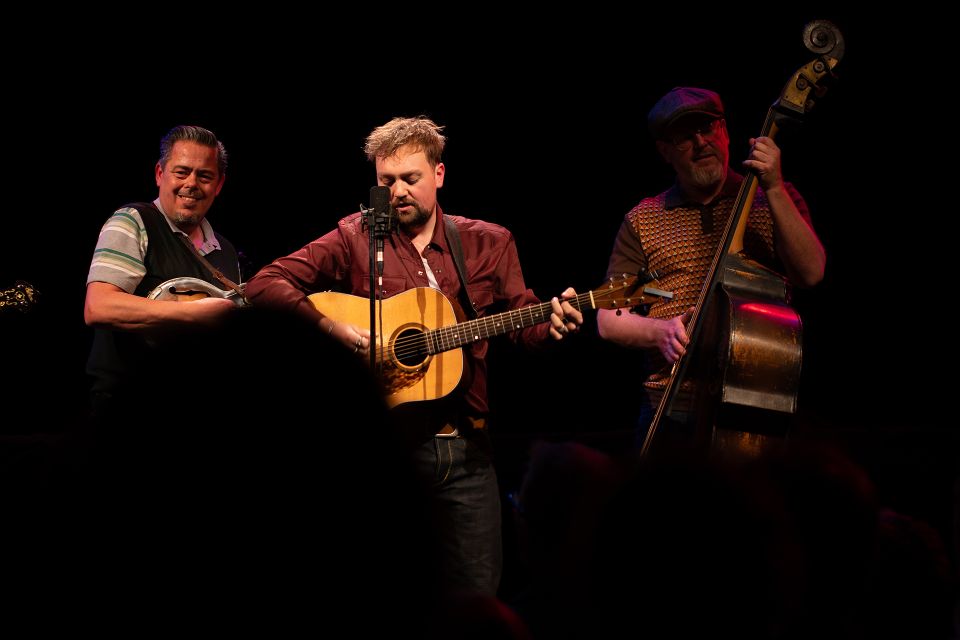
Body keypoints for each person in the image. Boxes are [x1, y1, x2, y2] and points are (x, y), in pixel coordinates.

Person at [244, 116, 584, 596]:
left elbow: (522, 327)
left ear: (439, 174)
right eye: (387, 181)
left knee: (477, 596)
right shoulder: (356, 236)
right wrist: (330, 328)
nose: (398, 191)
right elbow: (264, 283)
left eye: (410, 178)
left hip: (467, 447)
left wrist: (551, 325)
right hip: (387, 450)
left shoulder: (489, 242)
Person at [597, 87, 826, 437]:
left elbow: (811, 273)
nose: (701, 142)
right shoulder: (643, 219)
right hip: (669, 404)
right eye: (684, 138)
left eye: (708, 128)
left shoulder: (773, 199)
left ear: (726, 132)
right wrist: (660, 331)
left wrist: (775, 188)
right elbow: (609, 320)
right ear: (665, 151)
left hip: (757, 397)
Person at [84, 125, 241, 426]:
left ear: (219, 184)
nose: (191, 183)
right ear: (160, 173)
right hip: (130, 409)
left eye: (204, 176)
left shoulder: (226, 250)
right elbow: (98, 307)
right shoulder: (133, 221)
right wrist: (194, 313)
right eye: (181, 172)